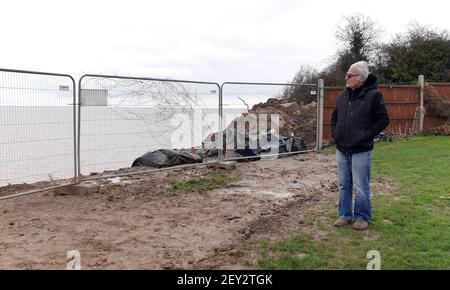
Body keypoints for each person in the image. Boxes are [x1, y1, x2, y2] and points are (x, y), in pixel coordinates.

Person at [331, 61, 390, 231]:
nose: (346, 78)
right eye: (346, 75)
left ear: (361, 78)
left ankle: (362, 217)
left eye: (350, 75)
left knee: (360, 186)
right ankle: (345, 215)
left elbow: (383, 120)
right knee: (343, 184)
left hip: (361, 150)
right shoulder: (343, 94)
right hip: (342, 148)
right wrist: (335, 134)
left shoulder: (374, 96)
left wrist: (365, 136)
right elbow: (334, 116)